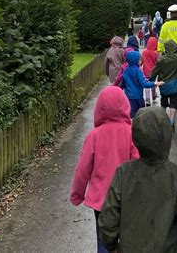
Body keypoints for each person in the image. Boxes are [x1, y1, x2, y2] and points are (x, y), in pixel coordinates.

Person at [98, 107, 177, 253]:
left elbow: (108, 221)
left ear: (136, 138)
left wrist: (112, 246)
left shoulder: (123, 173)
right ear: (167, 135)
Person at [70, 86, 140, 253]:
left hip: (101, 202)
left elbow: (83, 169)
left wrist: (77, 194)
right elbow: (138, 164)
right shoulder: (132, 133)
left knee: (103, 241)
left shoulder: (94, 136)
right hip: (126, 199)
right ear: (125, 105)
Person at [150, 39, 177, 131]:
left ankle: (163, 122)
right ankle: (171, 123)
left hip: (163, 85)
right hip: (174, 84)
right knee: (173, 104)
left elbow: (155, 71)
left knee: (164, 103)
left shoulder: (161, 59)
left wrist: (151, 80)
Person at [122, 51, 164, 118]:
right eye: (140, 60)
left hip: (129, 97)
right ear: (135, 60)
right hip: (138, 97)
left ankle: (131, 127)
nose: (141, 62)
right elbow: (144, 84)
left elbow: (123, 83)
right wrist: (155, 83)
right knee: (140, 115)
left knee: (131, 115)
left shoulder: (126, 70)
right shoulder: (138, 71)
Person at [142, 37, 159, 106]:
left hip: (145, 71)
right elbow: (157, 62)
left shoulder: (144, 52)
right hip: (153, 71)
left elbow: (141, 61)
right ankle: (154, 94)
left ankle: (148, 100)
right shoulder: (156, 53)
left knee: (146, 85)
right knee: (153, 84)